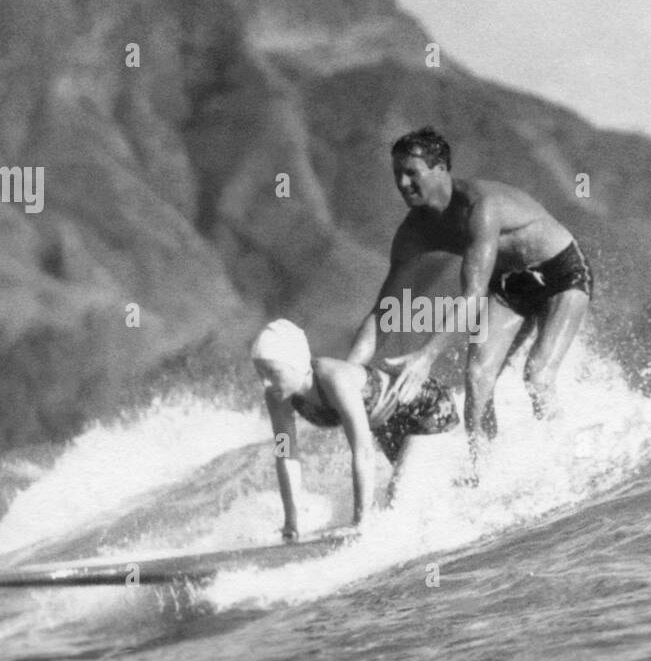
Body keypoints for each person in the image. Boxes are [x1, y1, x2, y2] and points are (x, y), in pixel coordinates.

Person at [346, 126, 593, 477]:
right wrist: (351, 369)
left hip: (561, 274)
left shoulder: (481, 207)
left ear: (441, 169)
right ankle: (484, 474)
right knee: (477, 378)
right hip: (511, 288)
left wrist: (426, 356)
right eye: (397, 174)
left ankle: (569, 466)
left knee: (537, 375)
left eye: (411, 173)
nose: (402, 183)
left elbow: (473, 293)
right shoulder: (413, 233)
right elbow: (385, 311)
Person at [251, 319, 459, 542]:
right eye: (260, 373)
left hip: (427, 410)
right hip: (388, 427)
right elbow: (286, 455)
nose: (266, 382)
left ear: (297, 363)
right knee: (415, 500)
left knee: (399, 499)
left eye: (272, 372)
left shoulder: (334, 379)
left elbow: (362, 451)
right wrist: (291, 523)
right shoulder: (277, 396)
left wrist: (360, 522)